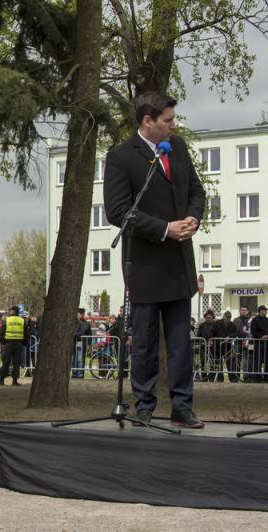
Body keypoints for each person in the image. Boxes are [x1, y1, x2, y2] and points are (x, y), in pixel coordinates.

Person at [103, 92, 206, 429]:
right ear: (148, 121)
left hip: (179, 264)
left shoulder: (178, 148)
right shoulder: (121, 157)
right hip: (145, 265)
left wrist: (192, 218)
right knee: (145, 344)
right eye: (168, 120)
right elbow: (118, 211)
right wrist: (164, 229)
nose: (174, 125)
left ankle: (182, 407)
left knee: (180, 344)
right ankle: (144, 407)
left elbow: (196, 191)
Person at [0, 306, 28, 386]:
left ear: (11, 311)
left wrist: (3, 342)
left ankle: (1, 380)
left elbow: (1, 333)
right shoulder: (22, 321)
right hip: (19, 344)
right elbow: (26, 334)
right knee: (16, 363)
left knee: (6, 362)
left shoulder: (7, 320)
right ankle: (15, 381)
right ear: (18, 312)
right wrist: (24, 343)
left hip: (8, 343)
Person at [210, 310, 239, 383]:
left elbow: (236, 333)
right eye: (227, 317)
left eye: (229, 317)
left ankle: (233, 379)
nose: (228, 319)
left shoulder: (232, 324)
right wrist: (210, 340)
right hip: (218, 346)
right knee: (218, 364)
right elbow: (211, 332)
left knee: (230, 364)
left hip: (227, 347)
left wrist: (229, 337)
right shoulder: (216, 323)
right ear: (224, 316)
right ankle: (220, 379)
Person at [249, 305, 268, 383]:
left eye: (266, 310)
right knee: (258, 361)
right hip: (258, 343)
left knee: (267, 361)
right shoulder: (255, 320)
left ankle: (266, 378)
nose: (266, 311)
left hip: (267, 344)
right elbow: (253, 331)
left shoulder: (267, 320)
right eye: (265, 310)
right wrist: (261, 336)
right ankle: (257, 378)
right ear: (260, 311)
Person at [196, 309, 216, 381]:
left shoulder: (215, 325)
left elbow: (217, 335)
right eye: (207, 317)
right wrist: (201, 341)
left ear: (212, 317)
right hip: (203, 347)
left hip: (213, 348)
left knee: (213, 364)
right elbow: (198, 336)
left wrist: (213, 341)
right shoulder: (202, 325)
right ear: (205, 317)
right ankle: (204, 378)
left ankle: (211, 378)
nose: (208, 318)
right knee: (203, 363)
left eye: (210, 317)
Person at [233, 307, 251, 382]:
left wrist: (246, 340)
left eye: (245, 310)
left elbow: (251, 331)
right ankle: (236, 377)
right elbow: (234, 331)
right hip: (238, 342)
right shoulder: (236, 320)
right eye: (242, 310)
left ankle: (246, 377)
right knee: (237, 360)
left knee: (247, 360)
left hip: (248, 343)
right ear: (240, 311)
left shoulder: (250, 320)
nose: (243, 311)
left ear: (247, 311)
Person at [73, 308, 92, 378]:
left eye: (81, 314)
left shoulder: (86, 324)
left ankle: (80, 373)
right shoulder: (74, 322)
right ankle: (74, 373)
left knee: (80, 359)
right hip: (74, 343)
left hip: (82, 343)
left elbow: (89, 334)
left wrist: (89, 344)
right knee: (74, 358)